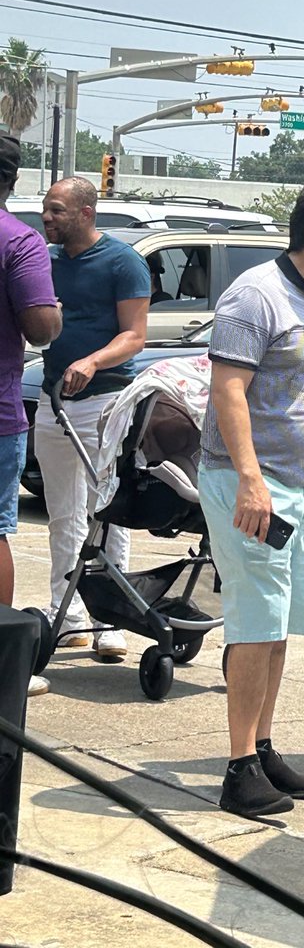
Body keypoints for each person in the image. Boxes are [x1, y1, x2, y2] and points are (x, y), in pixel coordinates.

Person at [199, 184, 304, 819]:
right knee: (253, 624)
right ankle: (239, 767)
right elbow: (229, 390)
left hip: (302, 482)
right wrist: (250, 479)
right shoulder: (255, 296)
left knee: (278, 625)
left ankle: (262, 747)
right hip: (251, 482)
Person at [35, 177, 150, 661]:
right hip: (53, 401)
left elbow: (135, 335)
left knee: (106, 511)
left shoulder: (123, 261)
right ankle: (68, 616)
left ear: (86, 212)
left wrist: (92, 361)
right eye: (46, 209)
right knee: (62, 512)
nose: (47, 218)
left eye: (56, 210)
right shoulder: (44, 261)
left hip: (106, 400)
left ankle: (110, 619)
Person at [0, 137, 62, 696]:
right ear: (13, 181)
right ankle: (2, 666)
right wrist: (55, 313)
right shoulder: (19, 241)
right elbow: (41, 327)